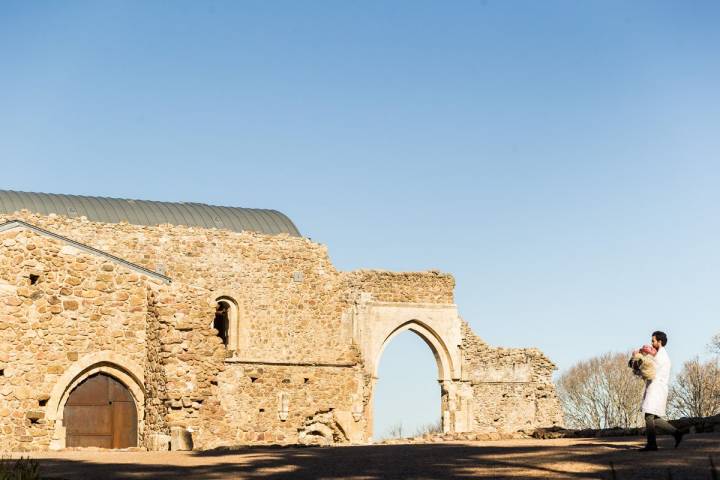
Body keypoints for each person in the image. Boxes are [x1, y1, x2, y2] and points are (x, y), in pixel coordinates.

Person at [640, 330, 684, 451]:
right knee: (653, 417)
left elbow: (648, 369)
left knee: (649, 415)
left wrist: (639, 363)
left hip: (657, 388)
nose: (651, 343)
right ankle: (676, 433)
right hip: (656, 387)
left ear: (659, 342)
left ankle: (652, 444)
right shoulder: (658, 355)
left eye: (653, 341)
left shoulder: (661, 357)